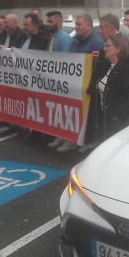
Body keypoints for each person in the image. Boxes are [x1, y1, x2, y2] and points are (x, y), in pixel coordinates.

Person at [85, 33, 129, 143]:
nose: (104, 48)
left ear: (118, 49)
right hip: (103, 122)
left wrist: (117, 116)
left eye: (107, 46)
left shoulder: (127, 71)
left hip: (116, 126)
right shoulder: (106, 66)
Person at [46, 10, 81, 152]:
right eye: (47, 21)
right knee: (56, 111)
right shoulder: (52, 36)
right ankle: (60, 136)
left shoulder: (64, 38)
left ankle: (69, 140)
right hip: (51, 80)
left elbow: (66, 63)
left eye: (51, 22)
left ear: (59, 23)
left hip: (61, 82)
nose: (48, 24)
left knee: (65, 112)